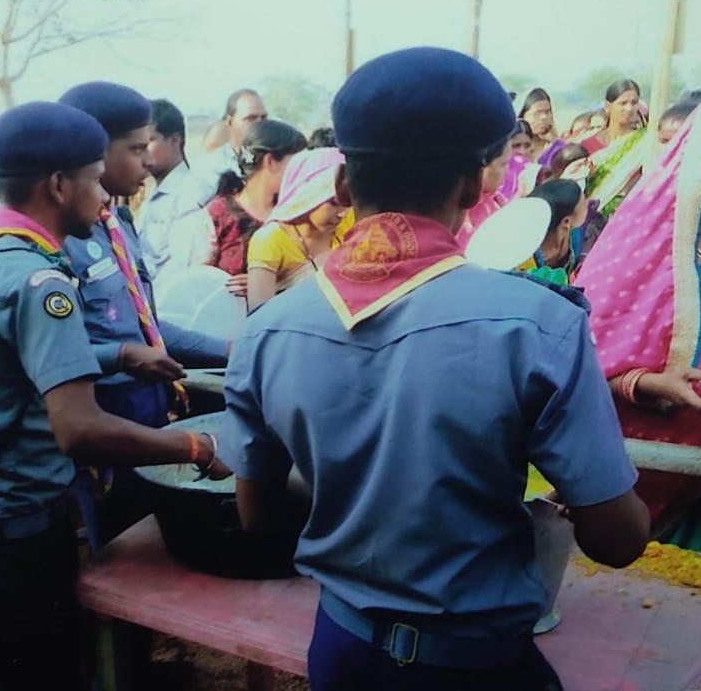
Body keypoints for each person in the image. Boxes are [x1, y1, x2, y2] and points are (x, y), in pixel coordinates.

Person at [220, 47, 650, 690]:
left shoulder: (265, 331)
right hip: (478, 665)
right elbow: (618, 541)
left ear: (343, 187)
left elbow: (259, 517)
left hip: (341, 651)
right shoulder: (537, 325)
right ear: (476, 186)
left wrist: (357, 488)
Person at [0, 101, 226, 691]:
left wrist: (118, 355)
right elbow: (80, 429)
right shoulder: (39, 280)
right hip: (16, 527)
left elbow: (16, 360)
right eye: (95, 178)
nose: (105, 193)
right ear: (59, 185)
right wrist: (196, 448)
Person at [575, 92, 701, 533]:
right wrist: (644, 383)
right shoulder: (636, 240)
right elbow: (578, 357)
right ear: (698, 155)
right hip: (626, 464)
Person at [58, 81, 229, 547]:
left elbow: (147, 327)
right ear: (94, 152)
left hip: (151, 413)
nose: (149, 161)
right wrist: (122, 356)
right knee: (118, 550)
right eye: (136, 149)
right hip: (103, 427)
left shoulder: (118, 224)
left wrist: (229, 350)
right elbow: (51, 354)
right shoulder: (59, 242)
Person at [203, 119, 307, 293]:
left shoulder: (297, 212)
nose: (303, 171)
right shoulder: (217, 215)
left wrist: (272, 283)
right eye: (298, 163)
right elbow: (198, 282)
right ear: (270, 162)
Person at [245, 148, 348, 310]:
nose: (342, 213)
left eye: (348, 203)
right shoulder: (269, 240)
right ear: (307, 194)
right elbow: (261, 315)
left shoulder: (349, 224)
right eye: (334, 203)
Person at [135, 98, 214, 278]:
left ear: (174, 141)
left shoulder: (192, 193)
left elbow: (184, 268)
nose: (142, 153)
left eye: (148, 143)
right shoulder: (155, 191)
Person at [199, 89, 269, 191]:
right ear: (230, 121)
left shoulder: (278, 162)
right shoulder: (209, 168)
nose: (260, 124)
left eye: (263, 117)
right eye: (251, 118)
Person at [457, 134, 512, 246]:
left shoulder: (498, 202)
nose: (507, 171)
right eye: (503, 164)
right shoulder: (453, 210)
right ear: (482, 168)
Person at [526, 178, 587, 274]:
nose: (588, 204)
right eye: (584, 204)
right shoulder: (526, 264)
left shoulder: (574, 237)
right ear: (566, 222)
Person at [580, 79, 641, 154]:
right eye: (623, 103)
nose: (629, 108)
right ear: (607, 106)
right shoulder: (589, 146)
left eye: (634, 103)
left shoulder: (645, 140)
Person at [513, 88, 557, 160]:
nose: (544, 117)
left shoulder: (554, 149)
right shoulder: (508, 151)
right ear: (522, 115)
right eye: (537, 113)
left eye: (547, 112)